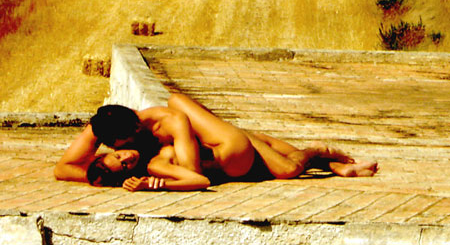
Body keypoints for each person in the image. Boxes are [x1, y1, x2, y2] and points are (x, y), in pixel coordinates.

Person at [54, 93, 378, 191]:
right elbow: (63, 169)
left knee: (287, 169)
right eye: (114, 151)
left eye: (119, 149)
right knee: (277, 159)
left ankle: (322, 152)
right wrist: (109, 176)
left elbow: (194, 173)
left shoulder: (167, 122)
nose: (121, 153)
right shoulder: (103, 126)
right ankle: (331, 164)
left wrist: (156, 179)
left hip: (228, 146)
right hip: (224, 154)